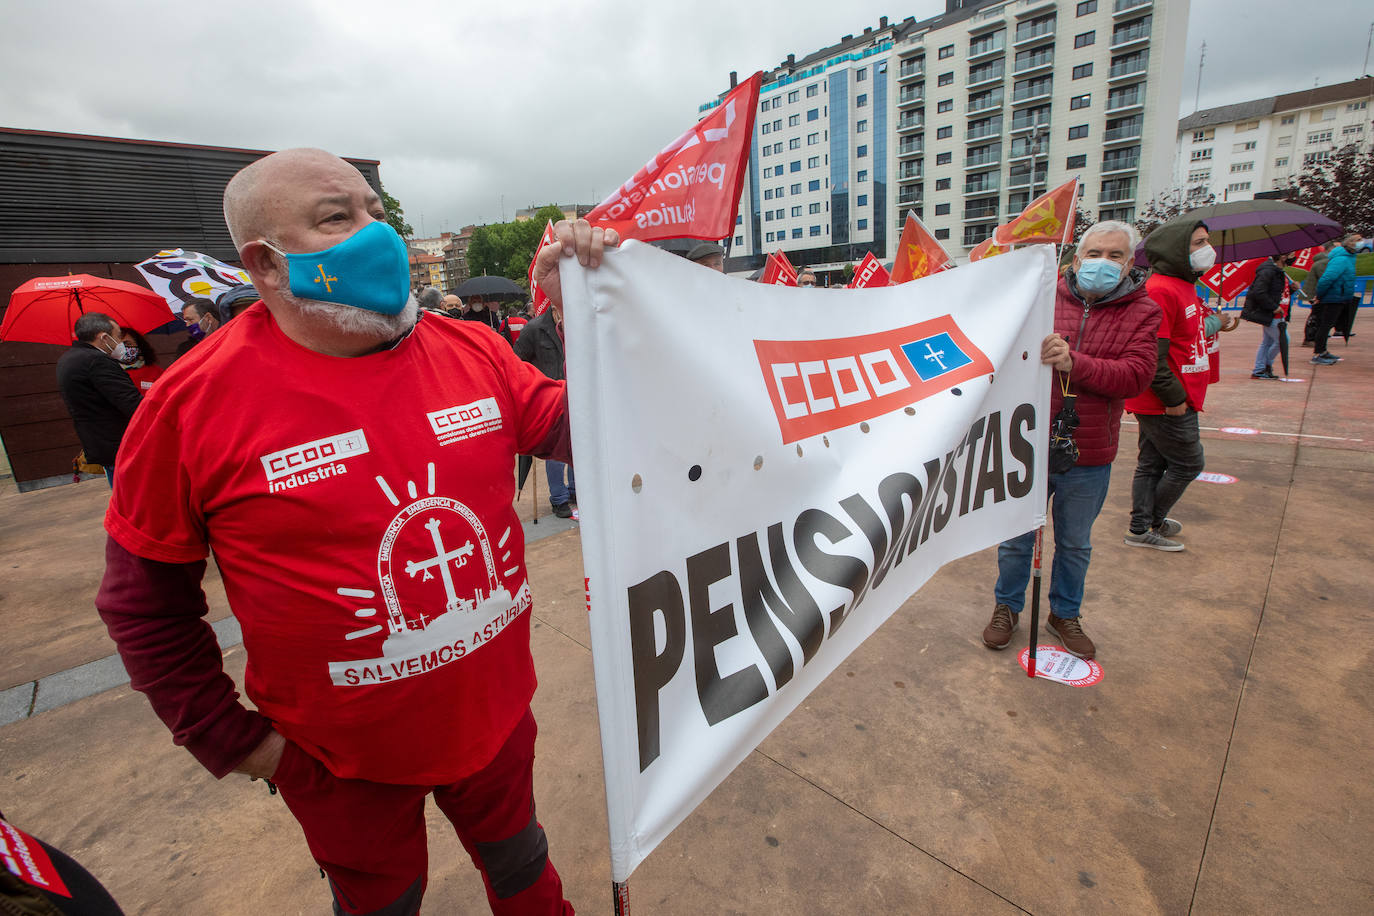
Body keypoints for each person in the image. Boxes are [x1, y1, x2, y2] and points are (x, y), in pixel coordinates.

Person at [96, 148, 616, 916]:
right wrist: (240, 745)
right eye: (337, 217)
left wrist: (587, 306)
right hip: (338, 767)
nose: (378, 236)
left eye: (376, 211)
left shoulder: (473, 351)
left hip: (497, 723)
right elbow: (143, 606)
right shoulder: (189, 404)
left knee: (526, 875)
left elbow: (597, 429)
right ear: (266, 266)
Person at [983, 221, 1159, 660]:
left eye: (1115, 256)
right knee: (1016, 536)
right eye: (1095, 253)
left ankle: (1064, 613)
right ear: (1075, 260)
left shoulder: (1143, 311)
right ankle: (1007, 606)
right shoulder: (1041, 297)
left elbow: (1136, 377)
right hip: (1028, 444)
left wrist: (1074, 363)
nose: (1103, 263)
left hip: (1090, 450)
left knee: (1075, 542)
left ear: (1130, 263)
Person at [1122, 219, 1216, 551]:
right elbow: (1152, 355)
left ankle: (1144, 524)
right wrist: (1174, 398)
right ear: (1177, 248)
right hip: (1166, 400)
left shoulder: (1183, 285)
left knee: (1153, 462)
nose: (1207, 250)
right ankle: (1146, 524)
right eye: (1199, 243)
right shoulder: (1161, 289)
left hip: (1177, 395)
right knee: (1189, 463)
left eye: (1206, 242)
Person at [55, 313, 143, 488]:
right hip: (118, 444)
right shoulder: (96, 361)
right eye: (118, 336)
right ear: (104, 337)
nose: (120, 343)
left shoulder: (68, 359)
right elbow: (131, 402)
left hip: (100, 443)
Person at [512, 305, 574, 518]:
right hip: (549, 402)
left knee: (578, 448)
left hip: (574, 396)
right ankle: (559, 499)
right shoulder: (534, 329)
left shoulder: (577, 324)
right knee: (555, 458)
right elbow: (515, 362)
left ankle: (576, 491)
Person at [1240, 253, 1292, 380]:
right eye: (1292, 254)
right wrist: (1273, 307)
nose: (1294, 257)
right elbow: (1259, 291)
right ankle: (1264, 366)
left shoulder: (1278, 271)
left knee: (1268, 342)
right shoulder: (1268, 271)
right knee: (1283, 340)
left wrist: (1292, 288)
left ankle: (1260, 368)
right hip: (1272, 313)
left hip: (1278, 313)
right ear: (1283, 257)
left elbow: (1277, 291)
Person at [1312, 233, 1362, 361]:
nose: (1361, 242)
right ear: (1349, 243)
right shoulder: (1342, 259)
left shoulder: (1349, 258)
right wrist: (1320, 295)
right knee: (1325, 325)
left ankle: (1322, 351)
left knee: (1328, 324)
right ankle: (1319, 353)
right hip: (1333, 297)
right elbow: (1326, 279)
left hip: (1339, 296)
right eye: (1358, 240)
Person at [117, 326, 164, 395]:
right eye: (118, 345)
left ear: (139, 346)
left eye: (127, 344)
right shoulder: (109, 372)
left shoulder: (156, 372)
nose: (123, 348)